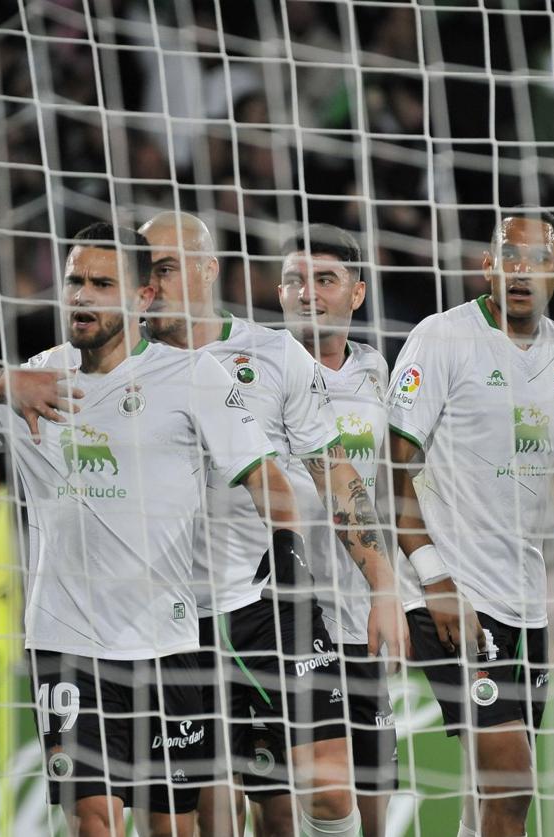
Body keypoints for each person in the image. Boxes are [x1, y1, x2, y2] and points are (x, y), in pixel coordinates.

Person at [0, 222, 299, 837]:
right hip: (65, 641)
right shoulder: (35, 378)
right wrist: (0, 381)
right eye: (74, 282)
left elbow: (268, 484)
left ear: (142, 297)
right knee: (94, 820)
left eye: (102, 284)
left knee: (171, 827)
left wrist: (284, 569)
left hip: (166, 643)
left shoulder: (193, 378)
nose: (83, 296)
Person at [138, 211, 406, 837]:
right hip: (159, 611)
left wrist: (383, 579)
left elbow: (335, 470)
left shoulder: (272, 353)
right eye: (143, 272)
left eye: (168, 268)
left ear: (209, 271)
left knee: (325, 786)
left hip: (263, 600)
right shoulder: (115, 362)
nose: (153, 284)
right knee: (204, 810)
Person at [388, 210, 554, 837]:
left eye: (535, 260)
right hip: (451, 591)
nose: (520, 272)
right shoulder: (440, 338)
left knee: (491, 798)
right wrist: (433, 577)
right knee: (514, 782)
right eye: (508, 255)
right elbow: (389, 470)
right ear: (486, 265)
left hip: (526, 599)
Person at [243, 224, 397, 837]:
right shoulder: (249, 371)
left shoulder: (377, 372)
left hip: (361, 612)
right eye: (294, 281)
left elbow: (391, 488)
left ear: (356, 293)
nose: (308, 294)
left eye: (325, 280)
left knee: (374, 804)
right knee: (285, 804)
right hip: (281, 610)